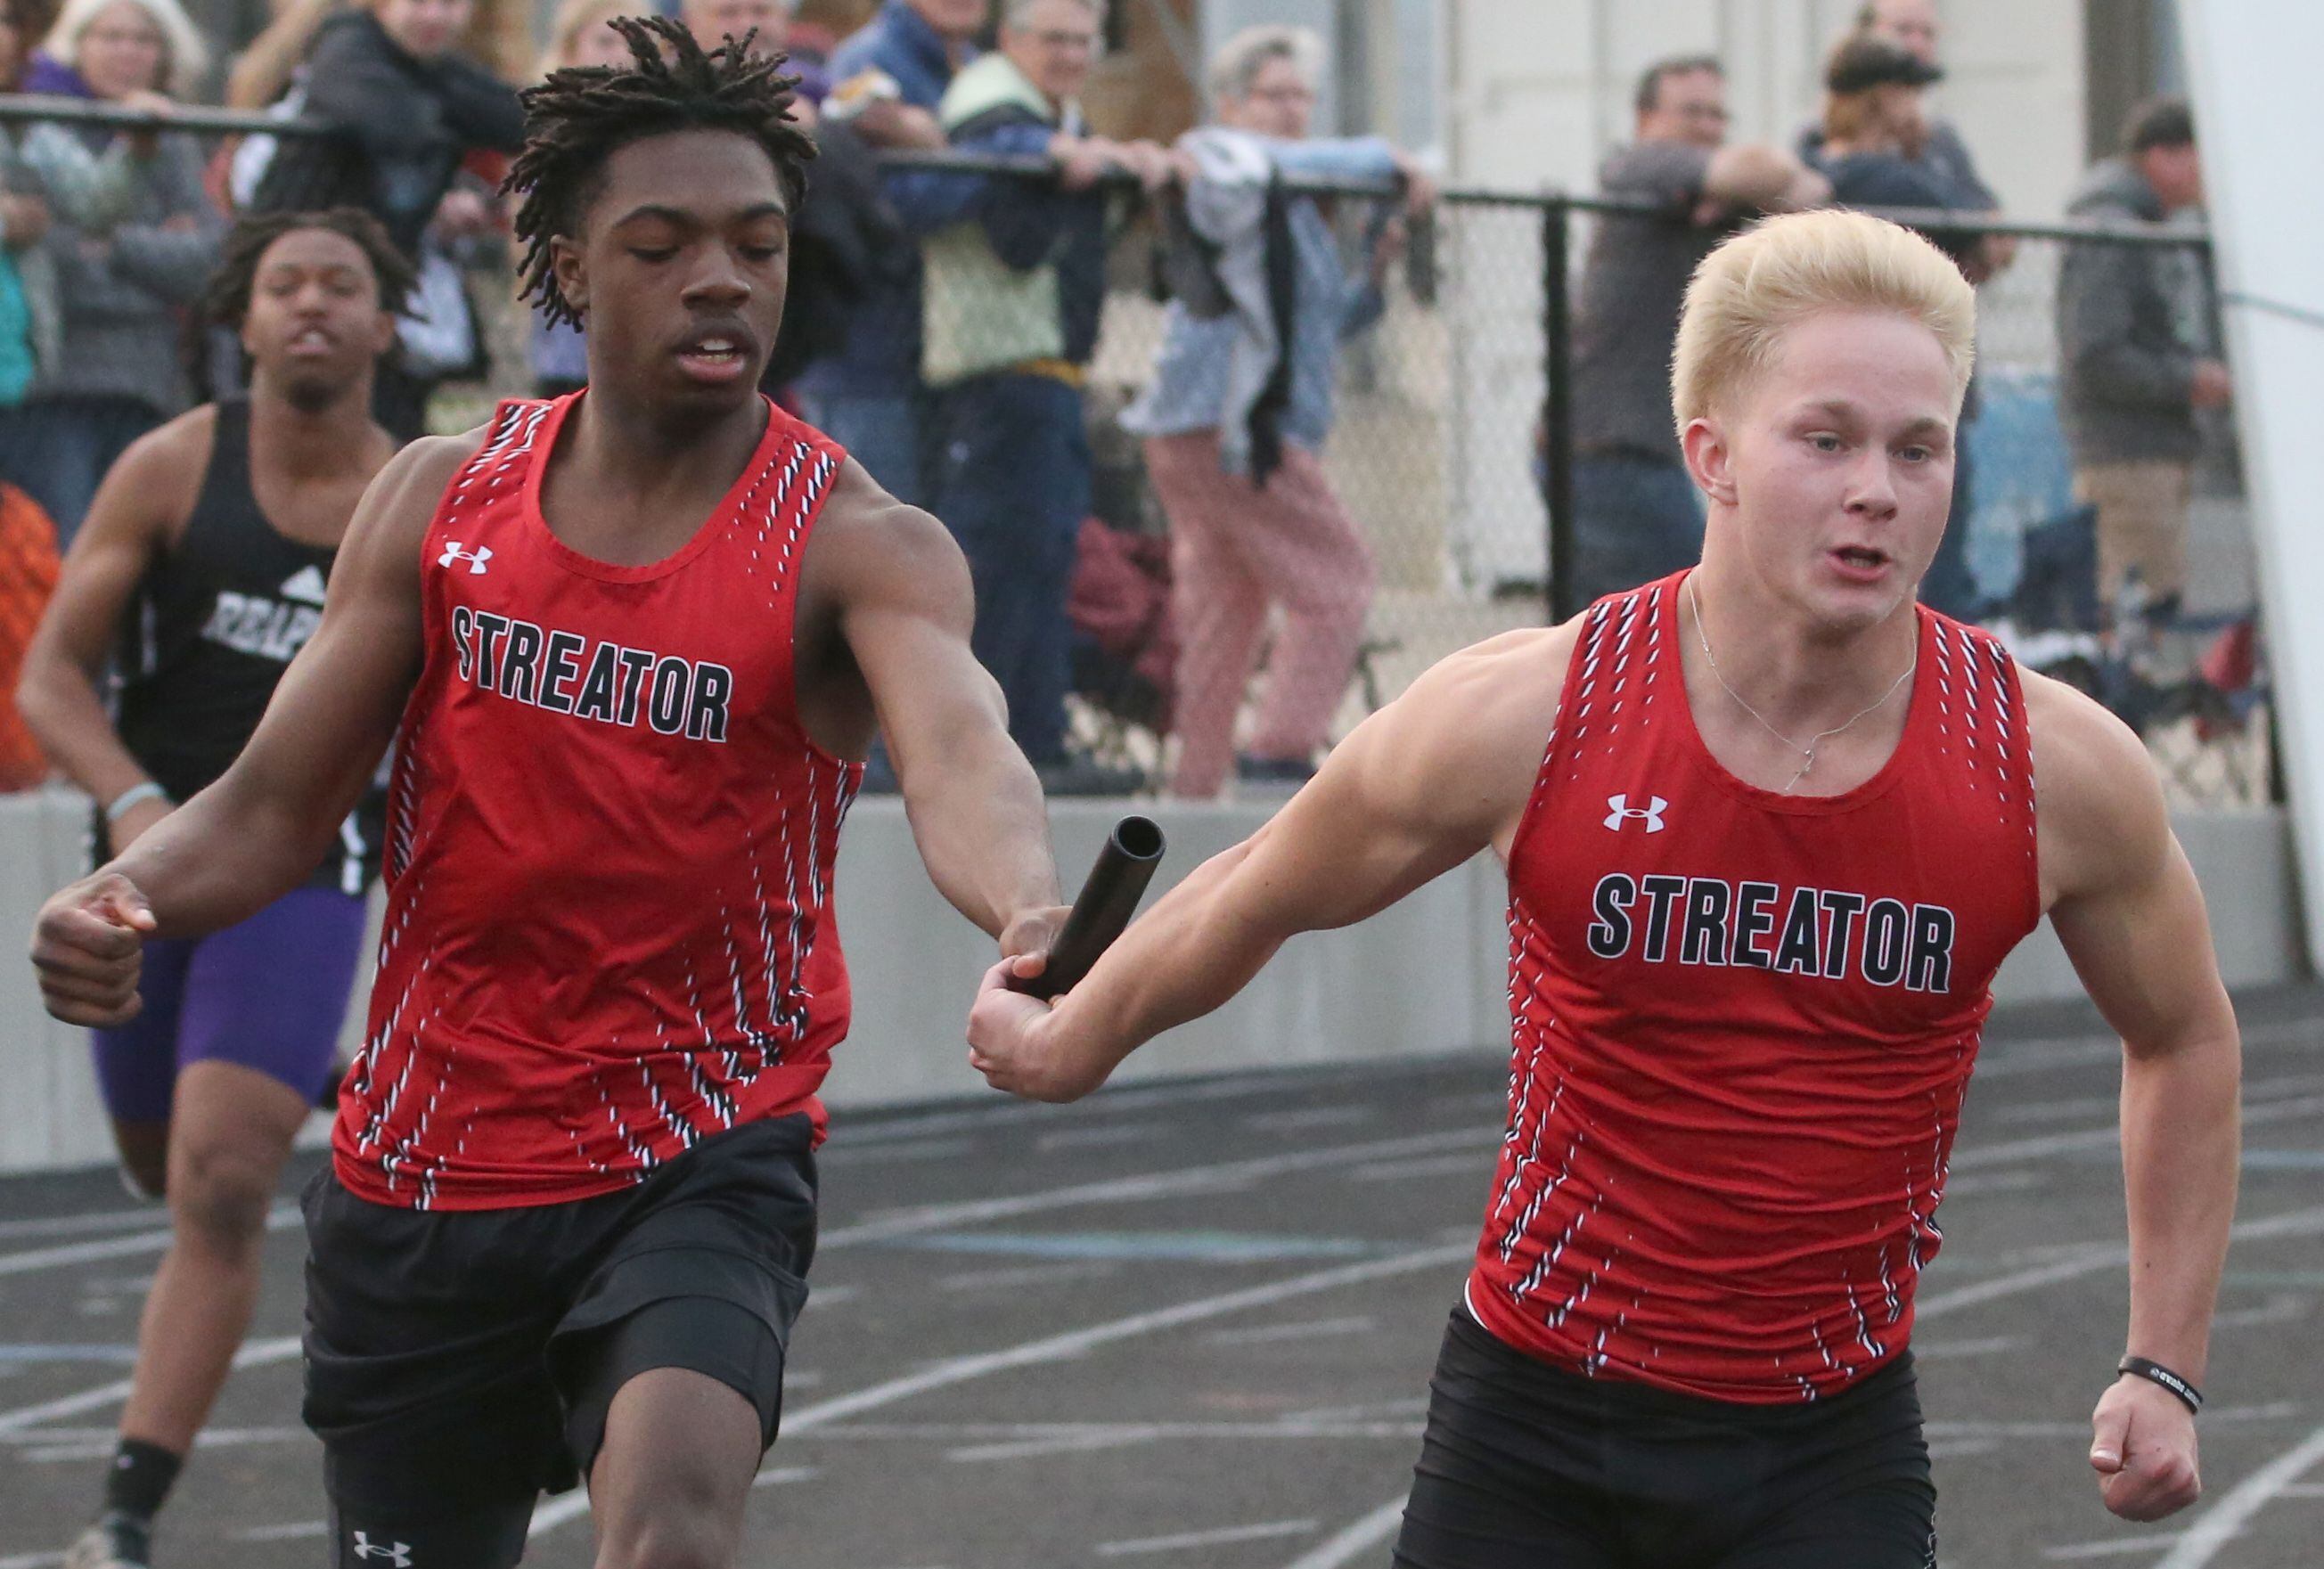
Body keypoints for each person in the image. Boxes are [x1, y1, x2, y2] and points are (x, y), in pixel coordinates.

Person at [969, 209, 2241, 1565]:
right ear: (1714, 456)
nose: (1877, 487)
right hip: (1535, 1422)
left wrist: (2162, 1365)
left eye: (1917, 449)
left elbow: (2184, 1034)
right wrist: (1072, 1041)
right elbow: (1264, 885)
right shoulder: (1534, 709)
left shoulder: (2053, 765)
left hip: (1827, 1438)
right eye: (1826, 440)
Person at [29, 20, 1066, 1568]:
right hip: (429, 1163)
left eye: (755, 244)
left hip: (695, 1150)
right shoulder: (441, 502)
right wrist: (130, 894)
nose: (720, 277)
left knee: (671, 1525)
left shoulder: (859, 541)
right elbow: (267, 807)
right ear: (568, 271)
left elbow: (961, 747)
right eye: (661, 245)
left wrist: (1029, 903)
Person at [14, 207, 409, 1569]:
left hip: (311, 860)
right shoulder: (173, 467)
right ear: (237, 321)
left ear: (384, 323)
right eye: (283, 283)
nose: (310, 304)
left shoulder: (411, 498)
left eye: (340, 285)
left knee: (222, 1180)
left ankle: (124, 1510)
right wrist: (131, 802)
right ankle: (314, 1068)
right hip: (152, 864)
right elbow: (50, 676)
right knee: (158, 1157)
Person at [1122, 23, 1433, 798]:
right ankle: (1279, 760)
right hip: (1234, 425)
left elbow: (1318, 325)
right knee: (1340, 584)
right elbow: (1278, 160)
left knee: (1226, 603)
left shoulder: (1285, 200)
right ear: (1230, 103)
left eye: (1303, 97)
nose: (1294, 110)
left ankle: (1194, 786)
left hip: (1204, 427)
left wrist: (1374, 274)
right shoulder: (1223, 160)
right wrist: (1393, 160)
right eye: (1275, 94)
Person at [918, 0, 1170, 792]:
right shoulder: (995, 98)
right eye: (1052, 38)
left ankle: (1037, 739)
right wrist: (1074, 152)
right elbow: (1001, 144)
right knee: (1002, 566)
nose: (1069, 54)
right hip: (999, 372)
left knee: (1044, 561)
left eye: (1082, 40)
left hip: (1044, 373)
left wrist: (1098, 156)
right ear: (1013, 39)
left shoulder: (1053, 112)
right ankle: (997, 750)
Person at [1567, 53, 1825, 608]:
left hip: (1646, 453)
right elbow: (1769, 173)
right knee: (1685, 618)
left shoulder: (1707, 201)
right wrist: (1743, 180)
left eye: (1716, 116)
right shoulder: (1638, 167)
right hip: (1605, 450)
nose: (1707, 128)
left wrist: (1735, 191)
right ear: (1645, 120)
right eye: (1691, 113)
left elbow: (1810, 195)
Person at [249, 0, 525, 438]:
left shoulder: (433, 70)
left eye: (449, 5)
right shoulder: (346, 46)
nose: (435, 16)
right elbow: (396, 121)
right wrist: (457, 125)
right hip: (298, 290)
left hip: (379, 296)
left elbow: (521, 117)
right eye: (419, 3)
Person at [11, 0, 218, 545]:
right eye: (111, 36)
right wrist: (152, 249)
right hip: (58, 382)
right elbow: (54, 259)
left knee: (140, 550)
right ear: (76, 45)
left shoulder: (170, 134)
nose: (127, 52)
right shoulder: (37, 125)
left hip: (150, 382)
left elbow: (206, 264)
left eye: (142, 40)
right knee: (64, 546)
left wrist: (113, 245)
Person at [1812, 33, 1989, 618]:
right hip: (1914, 392)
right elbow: (1984, 235)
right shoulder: (1894, 181)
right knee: (1935, 570)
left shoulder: (1809, 169)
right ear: (1884, 100)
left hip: (1830, 389)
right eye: (1910, 93)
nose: (1920, 111)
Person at [792, 0, 984, 506]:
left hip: (951, 346)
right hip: (868, 348)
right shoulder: (869, 62)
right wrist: (984, 170)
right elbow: (889, 204)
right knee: (870, 522)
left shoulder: (978, 64)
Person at [2057, 98, 2225, 624]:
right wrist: (2187, 380)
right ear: (2164, 155)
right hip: (2127, 457)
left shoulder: (2149, 224)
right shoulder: (2111, 229)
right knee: (2133, 611)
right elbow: (2095, 354)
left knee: (2152, 603)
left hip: (2153, 451)